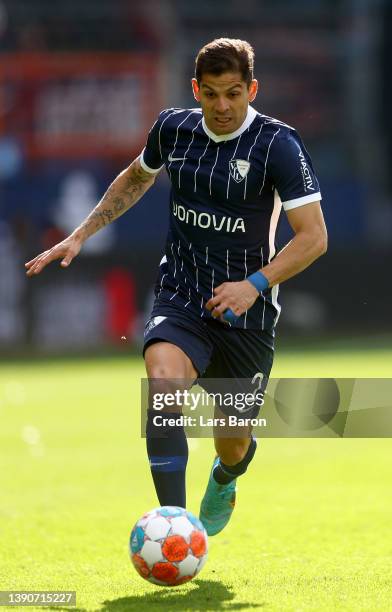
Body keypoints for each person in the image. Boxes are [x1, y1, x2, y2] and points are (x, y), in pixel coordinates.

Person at [25, 38, 327, 536]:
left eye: (234, 93)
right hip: (182, 294)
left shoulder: (278, 146)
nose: (223, 106)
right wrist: (80, 234)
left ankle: (226, 477)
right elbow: (135, 177)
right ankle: (176, 526)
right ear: (196, 90)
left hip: (245, 316)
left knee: (232, 443)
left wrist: (254, 284)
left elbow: (314, 237)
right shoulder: (173, 128)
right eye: (211, 94)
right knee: (163, 385)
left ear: (252, 89)